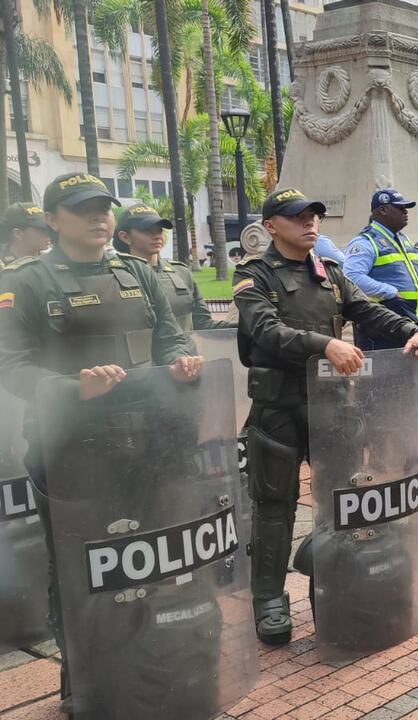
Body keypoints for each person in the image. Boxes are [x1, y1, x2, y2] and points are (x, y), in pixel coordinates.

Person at [0, 173, 202, 706]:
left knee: (146, 557)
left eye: (103, 208)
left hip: (147, 440)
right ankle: (84, 682)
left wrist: (180, 361)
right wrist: (72, 388)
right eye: (81, 208)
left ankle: (144, 661)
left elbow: (169, 336)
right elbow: (10, 364)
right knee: (79, 565)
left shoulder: (137, 272)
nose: (98, 217)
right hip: (70, 446)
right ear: (51, 219)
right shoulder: (25, 281)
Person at [233, 187, 418, 644]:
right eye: (297, 216)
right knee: (274, 506)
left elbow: (369, 311)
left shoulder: (330, 273)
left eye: (313, 215)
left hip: (333, 406)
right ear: (271, 227)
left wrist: (413, 329)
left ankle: (339, 583)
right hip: (279, 408)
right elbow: (264, 329)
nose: (309, 222)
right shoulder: (253, 274)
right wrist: (324, 344)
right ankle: (269, 599)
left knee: (342, 500)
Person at [112, 204, 232, 332]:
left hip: (185, 345)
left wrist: (242, 326)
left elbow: (202, 323)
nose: (157, 236)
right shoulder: (115, 277)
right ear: (125, 237)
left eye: (159, 230)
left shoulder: (181, 273)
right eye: (147, 231)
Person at [343, 188, 418, 351]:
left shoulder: (401, 239)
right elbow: (351, 278)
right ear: (383, 210)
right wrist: (389, 291)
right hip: (383, 327)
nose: (405, 212)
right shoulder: (366, 241)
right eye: (400, 208)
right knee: (386, 367)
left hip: (409, 321)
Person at [1, 202, 52, 266]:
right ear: (18, 234)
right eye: (42, 229)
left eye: (49, 228)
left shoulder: (52, 260)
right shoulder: (3, 267)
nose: (49, 233)